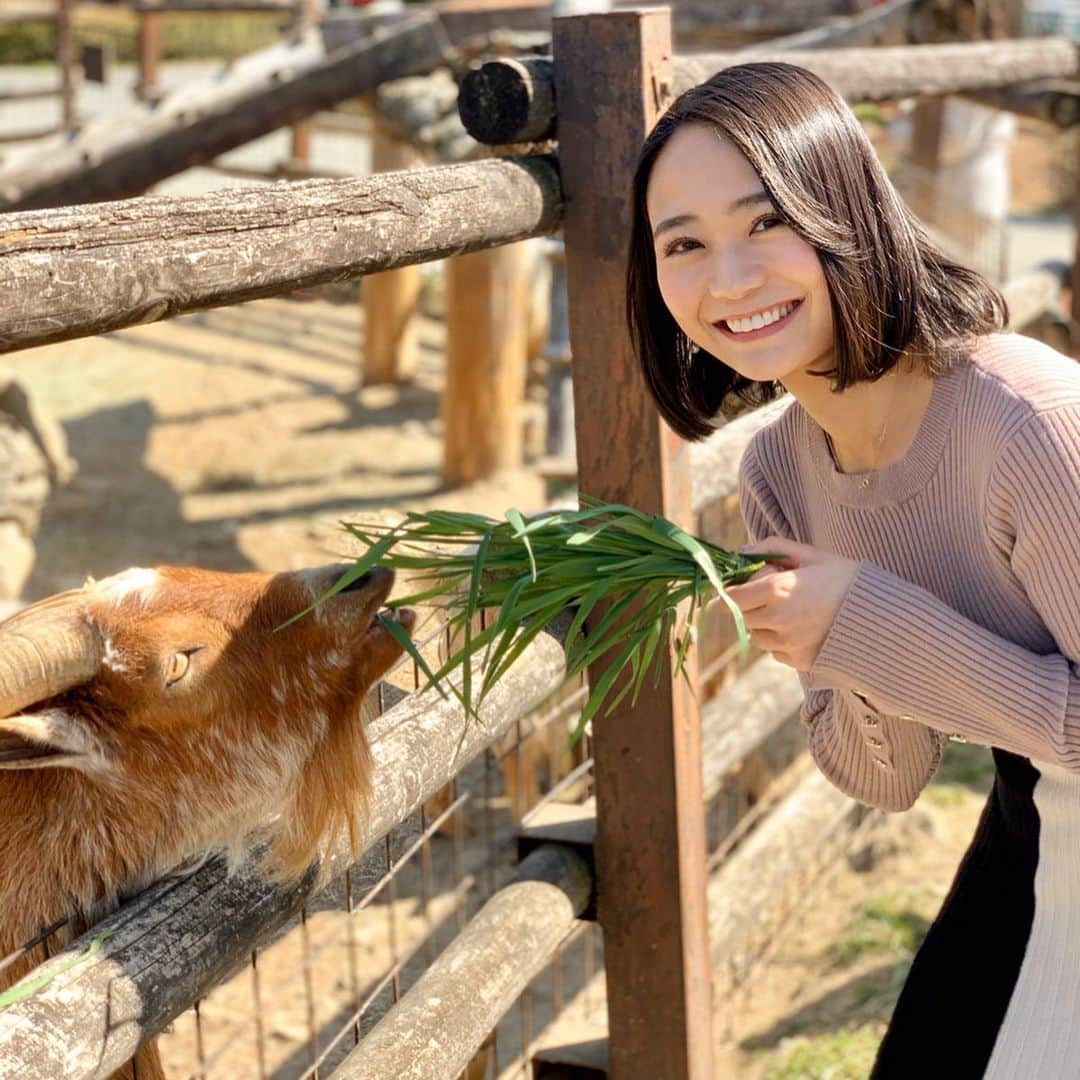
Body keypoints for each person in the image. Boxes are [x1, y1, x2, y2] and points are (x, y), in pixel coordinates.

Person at [625, 61, 1080, 1079]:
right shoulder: (781, 466)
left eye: (765, 222)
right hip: (1041, 810)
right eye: (684, 244)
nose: (727, 280)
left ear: (845, 211)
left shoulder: (1033, 428)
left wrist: (869, 620)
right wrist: (849, 647)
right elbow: (888, 777)